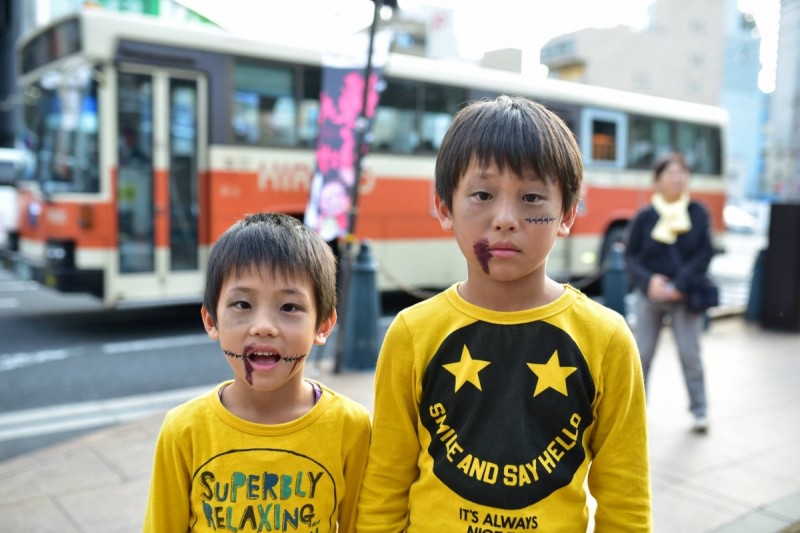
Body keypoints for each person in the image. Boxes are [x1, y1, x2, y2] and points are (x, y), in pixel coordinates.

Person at [356, 95, 651, 532]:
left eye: (532, 197)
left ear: (566, 214)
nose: (506, 218)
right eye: (482, 194)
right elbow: (384, 484)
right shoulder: (413, 333)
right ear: (444, 207)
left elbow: (625, 498)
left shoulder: (605, 338)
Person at [143, 212, 371, 532]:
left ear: (323, 325)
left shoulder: (351, 427)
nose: (263, 326)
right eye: (243, 305)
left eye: (289, 307)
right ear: (211, 320)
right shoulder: (184, 431)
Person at [625, 152, 714, 433]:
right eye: (670, 173)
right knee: (642, 355)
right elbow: (629, 255)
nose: (677, 178)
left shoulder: (698, 213)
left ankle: (700, 411)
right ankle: (634, 414)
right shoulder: (645, 216)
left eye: (682, 173)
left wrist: (679, 285)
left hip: (684, 296)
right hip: (650, 296)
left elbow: (704, 253)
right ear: (657, 180)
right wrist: (650, 281)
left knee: (690, 355)